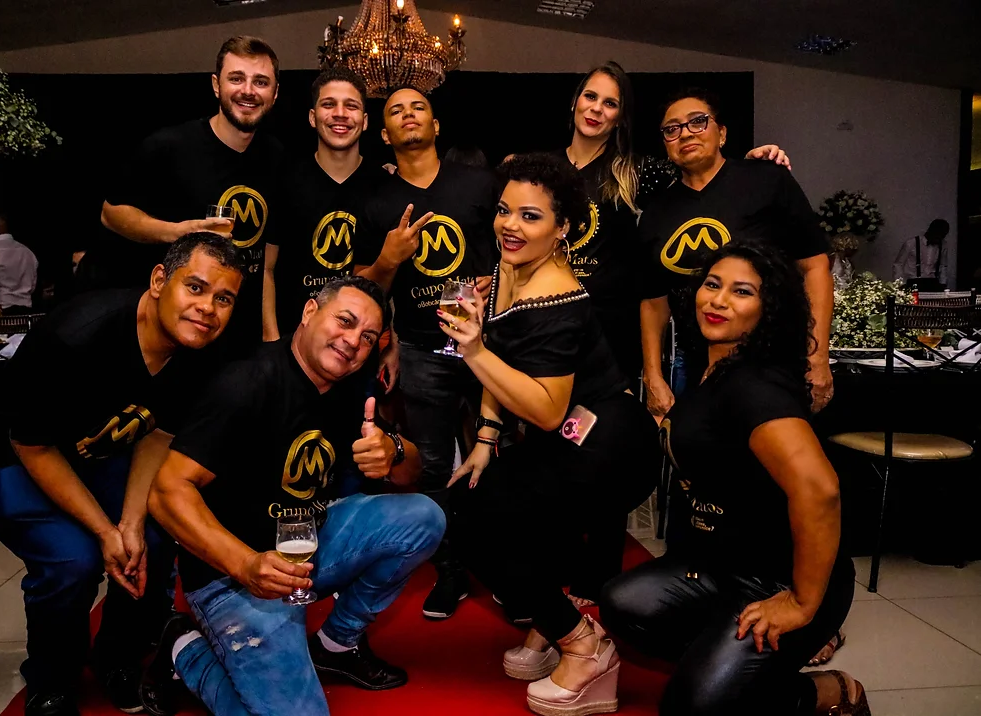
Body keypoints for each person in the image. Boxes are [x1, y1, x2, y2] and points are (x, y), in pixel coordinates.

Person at [0, 233, 244, 716]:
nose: (207, 308)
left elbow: (158, 433)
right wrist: (103, 530)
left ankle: (117, 657)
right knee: (73, 561)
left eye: (224, 298)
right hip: (8, 456)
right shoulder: (78, 334)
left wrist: (130, 523)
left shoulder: (202, 347)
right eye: (195, 288)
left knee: (154, 538)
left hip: (94, 453)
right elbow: (33, 445)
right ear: (159, 280)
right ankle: (51, 682)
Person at [142, 275, 443, 716]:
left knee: (424, 516)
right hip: (231, 576)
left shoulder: (350, 388)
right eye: (345, 321)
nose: (352, 342)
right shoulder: (246, 382)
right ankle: (185, 651)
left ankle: (336, 645)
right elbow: (167, 493)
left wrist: (393, 449)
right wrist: (245, 565)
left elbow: (413, 473)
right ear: (309, 312)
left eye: (367, 337)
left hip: (305, 547)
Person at [601, 241, 867, 716]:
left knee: (691, 708)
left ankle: (827, 692)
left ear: (769, 309)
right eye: (712, 284)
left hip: (779, 580)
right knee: (623, 602)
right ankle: (729, 669)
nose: (718, 300)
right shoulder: (718, 369)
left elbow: (820, 490)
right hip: (721, 568)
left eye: (741, 292)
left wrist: (801, 602)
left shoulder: (754, 386)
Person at [441, 154, 659, 716]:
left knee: (479, 520)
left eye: (530, 216)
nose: (510, 225)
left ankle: (585, 648)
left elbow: (543, 408)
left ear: (562, 229)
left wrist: (473, 350)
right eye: (504, 210)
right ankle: (554, 621)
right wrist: (485, 440)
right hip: (569, 433)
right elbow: (506, 360)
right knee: (482, 500)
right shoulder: (508, 268)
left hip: (610, 442)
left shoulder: (556, 296)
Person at [354, 87, 497, 620]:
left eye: (418, 107)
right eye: (396, 110)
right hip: (420, 349)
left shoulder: (479, 183)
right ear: (384, 134)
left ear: (436, 126)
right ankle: (450, 569)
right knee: (433, 466)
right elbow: (366, 286)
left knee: (498, 453)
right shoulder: (376, 202)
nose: (408, 114)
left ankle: (505, 566)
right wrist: (390, 259)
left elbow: (518, 246)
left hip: (486, 345)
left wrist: (498, 282)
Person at [557, 63, 792, 388]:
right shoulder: (542, 167)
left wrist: (749, 164)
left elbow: (702, 170)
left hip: (608, 329)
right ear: (575, 101)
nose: (597, 108)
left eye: (610, 103)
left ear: (621, 116)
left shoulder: (636, 172)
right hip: (548, 317)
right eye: (590, 96)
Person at [639, 88, 834, 417]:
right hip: (693, 365)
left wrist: (817, 356)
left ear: (722, 134)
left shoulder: (767, 180)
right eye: (672, 129)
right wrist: (653, 376)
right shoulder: (655, 213)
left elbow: (816, 267)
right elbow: (653, 301)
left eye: (697, 122)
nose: (685, 133)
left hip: (770, 359)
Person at [82, 35, 283, 349]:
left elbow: (267, 264)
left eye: (260, 82)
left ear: (275, 93)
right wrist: (176, 232)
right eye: (236, 78)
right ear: (216, 85)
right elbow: (111, 214)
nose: (248, 90)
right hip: (168, 333)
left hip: (234, 337)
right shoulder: (169, 147)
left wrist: (270, 338)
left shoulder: (276, 157)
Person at [262, 67, 384, 339]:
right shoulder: (285, 180)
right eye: (328, 104)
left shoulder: (384, 185)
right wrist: (271, 338)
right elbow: (267, 269)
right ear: (312, 117)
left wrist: (391, 344)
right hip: (293, 340)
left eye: (351, 106)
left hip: (359, 344)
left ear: (364, 121)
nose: (340, 113)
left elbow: (392, 276)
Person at [893, 218, 950, 289]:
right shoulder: (911, 243)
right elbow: (898, 264)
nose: (940, 238)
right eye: (938, 235)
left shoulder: (943, 245)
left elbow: (943, 265)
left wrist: (943, 283)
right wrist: (901, 284)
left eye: (943, 236)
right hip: (913, 281)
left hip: (933, 283)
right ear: (931, 230)